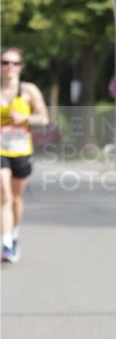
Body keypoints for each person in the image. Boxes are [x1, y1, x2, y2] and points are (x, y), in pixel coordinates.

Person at [1, 47, 49, 263]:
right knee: (4, 196)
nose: (9, 67)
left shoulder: (29, 91)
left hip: (21, 149)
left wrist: (24, 118)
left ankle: (15, 233)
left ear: (21, 67)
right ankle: (7, 242)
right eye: (5, 62)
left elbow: (44, 118)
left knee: (17, 198)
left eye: (14, 63)